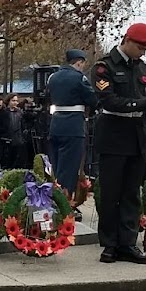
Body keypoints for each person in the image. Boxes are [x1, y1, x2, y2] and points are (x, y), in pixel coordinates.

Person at [90, 23, 146, 264]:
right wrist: (143, 104)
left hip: (137, 136)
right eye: (139, 47)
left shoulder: (141, 67)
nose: (142, 52)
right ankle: (110, 244)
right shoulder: (105, 67)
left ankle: (128, 242)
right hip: (114, 134)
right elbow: (109, 100)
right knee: (111, 192)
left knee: (132, 193)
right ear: (127, 40)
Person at [45, 52, 95, 199]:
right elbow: (92, 99)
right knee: (69, 168)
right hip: (73, 126)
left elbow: (47, 98)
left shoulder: (52, 77)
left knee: (56, 165)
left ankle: (53, 197)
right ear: (79, 62)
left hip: (56, 124)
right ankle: (65, 202)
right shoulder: (79, 78)